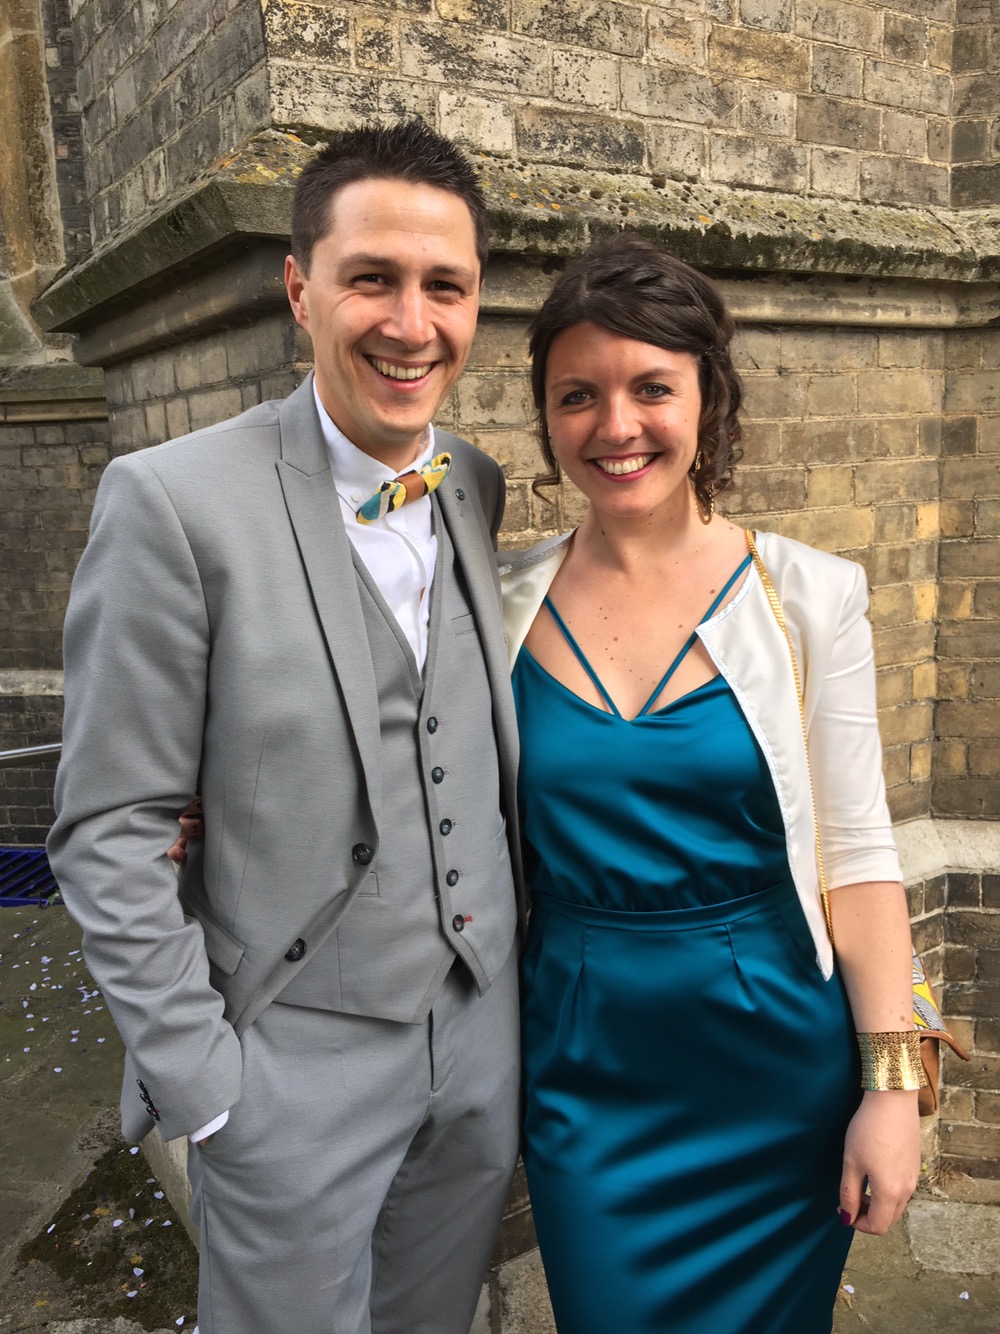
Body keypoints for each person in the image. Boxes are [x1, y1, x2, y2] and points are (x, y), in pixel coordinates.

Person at [46, 120, 525, 1334]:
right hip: (286, 1060)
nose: (410, 322)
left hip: (480, 1038)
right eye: (372, 278)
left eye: (445, 285)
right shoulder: (172, 502)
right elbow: (108, 825)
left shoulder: (472, 483)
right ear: (300, 289)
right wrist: (206, 1083)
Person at [498, 234, 922, 1333]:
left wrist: (891, 1089)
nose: (616, 425)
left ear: (707, 398)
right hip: (585, 1059)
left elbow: (858, 853)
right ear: (546, 417)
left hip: (774, 1064)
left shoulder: (809, 597)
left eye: (652, 387)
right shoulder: (492, 605)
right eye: (577, 394)